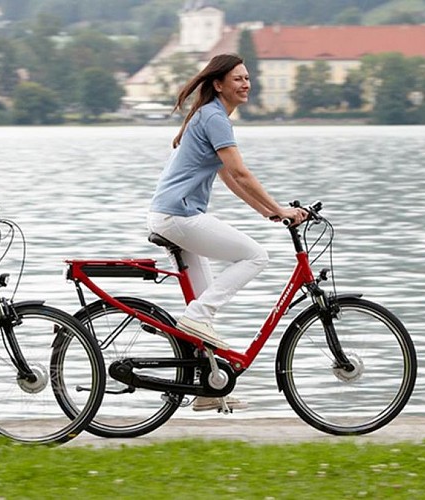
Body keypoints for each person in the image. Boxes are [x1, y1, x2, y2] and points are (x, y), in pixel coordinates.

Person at [147, 54, 307, 412]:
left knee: (204, 305)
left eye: (248, 78)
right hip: (179, 216)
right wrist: (281, 209)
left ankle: (208, 388)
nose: (245, 84)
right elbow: (241, 172)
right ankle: (196, 320)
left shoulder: (209, 116)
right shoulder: (215, 118)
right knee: (255, 256)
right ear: (218, 84)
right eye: (237, 78)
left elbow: (230, 179)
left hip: (171, 216)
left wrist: (268, 213)